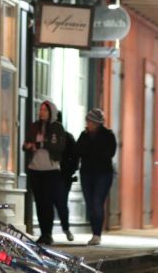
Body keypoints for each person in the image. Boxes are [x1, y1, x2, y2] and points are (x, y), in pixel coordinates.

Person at [23, 100, 67, 245]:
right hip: (35, 169)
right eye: (41, 109)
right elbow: (26, 144)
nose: (41, 112)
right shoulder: (35, 126)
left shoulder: (56, 127)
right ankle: (42, 233)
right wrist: (29, 146)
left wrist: (39, 144)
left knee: (48, 202)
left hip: (50, 170)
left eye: (45, 110)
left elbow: (57, 146)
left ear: (51, 112)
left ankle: (48, 233)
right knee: (39, 202)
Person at [76, 108, 116, 246]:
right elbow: (78, 151)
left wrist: (90, 151)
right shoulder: (84, 135)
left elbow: (109, 153)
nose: (87, 123)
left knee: (97, 202)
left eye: (90, 121)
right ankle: (95, 232)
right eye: (87, 121)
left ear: (96, 122)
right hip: (86, 173)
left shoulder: (108, 135)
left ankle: (97, 234)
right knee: (90, 204)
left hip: (103, 174)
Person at [55, 111, 78, 241]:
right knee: (56, 203)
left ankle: (66, 228)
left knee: (61, 202)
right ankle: (61, 229)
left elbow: (75, 157)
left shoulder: (67, 137)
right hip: (54, 173)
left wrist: (69, 170)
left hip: (63, 175)